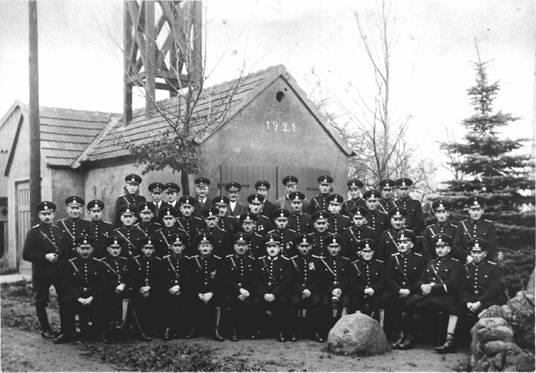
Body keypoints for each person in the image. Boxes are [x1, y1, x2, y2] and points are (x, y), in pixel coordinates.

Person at [439, 238, 506, 353]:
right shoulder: (465, 268)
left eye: (479, 252)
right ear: (470, 253)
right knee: (455, 309)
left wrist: (479, 302)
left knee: (485, 314)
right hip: (470, 300)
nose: (476, 255)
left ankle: (478, 346)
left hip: (486, 301)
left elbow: (493, 290)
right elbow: (463, 288)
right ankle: (450, 342)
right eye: (473, 252)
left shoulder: (493, 267)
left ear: (484, 254)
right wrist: (468, 302)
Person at [405, 234, 464, 350]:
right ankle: (409, 338)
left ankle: (447, 341)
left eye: (443, 247)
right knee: (409, 303)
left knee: (420, 305)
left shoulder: (455, 264)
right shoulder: (431, 263)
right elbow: (420, 280)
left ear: (449, 249)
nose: (440, 250)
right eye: (437, 247)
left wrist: (432, 287)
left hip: (445, 297)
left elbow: (452, 285)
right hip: (429, 296)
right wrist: (422, 286)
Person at [22, 201, 69, 339]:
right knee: (41, 301)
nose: (47, 216)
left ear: (53, 214)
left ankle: (65, 329)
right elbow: (26, 255)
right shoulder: (34, 232)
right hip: (42, 273)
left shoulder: (58, 230)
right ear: (39, 215)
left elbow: (65, 251)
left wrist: (59, 257)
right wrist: (45, 256)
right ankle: (45, 329)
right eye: (44, 214)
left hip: (58, 272)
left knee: (64, 300)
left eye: (49, 214)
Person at [55, 236, 106, 343]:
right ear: (77, 249)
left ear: (92, 249)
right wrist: (78, 298)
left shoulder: (99, 264)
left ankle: (100, 332)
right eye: (82, 248)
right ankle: (66, 332)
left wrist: (92, 297)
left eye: (87, 248)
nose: (85, 251)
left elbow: (102, 284)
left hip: (92, 295)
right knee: (65, 302)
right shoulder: (71, 264)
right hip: (77, 296)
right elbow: (67, 284)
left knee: (103, 301)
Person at [384, 229, 425, 349]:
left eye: (405, 242)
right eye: (399, 242)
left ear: (411, 244)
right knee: (385, 299)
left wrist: (409, 290)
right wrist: (399, 290)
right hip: (397, 290)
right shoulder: (393, 258)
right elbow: (388, 278)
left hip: (412, 291)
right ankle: (394, 334)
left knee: (410, 304)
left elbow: (421, 279)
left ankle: (409, 336)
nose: (401, 244)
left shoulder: (419, 258)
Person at [252, 233, 293, 342]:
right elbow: (255, 280)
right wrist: (264, 294)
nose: (272, 249)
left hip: (279, 293)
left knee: (282, 302)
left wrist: (274, 294)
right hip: (263, 293)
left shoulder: (286, 261)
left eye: (274, 246)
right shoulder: (260, 261)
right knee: (256, 302)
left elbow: (287, 281)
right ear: (266, 248)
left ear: (279, 248)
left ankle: (280, 331)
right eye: (269, 246)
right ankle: (260, 330)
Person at [288, 234, 325, 342]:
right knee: (293, 302)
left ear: (311, 246)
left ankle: (314, 331)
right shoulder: (292, 260)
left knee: (317, 302)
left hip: (313, 290)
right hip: (297, 290)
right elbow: (291, 280)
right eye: (302, 246)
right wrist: (302, 290)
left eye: (307, 246)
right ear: (297, 247)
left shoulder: (317, 260)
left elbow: (319, 279)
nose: (304, 248)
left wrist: (310, 290)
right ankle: (294, 331)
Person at [220, 232, 257, 341]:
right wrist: (239, 290)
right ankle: (233, 331)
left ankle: (249, 330)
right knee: (230, 302)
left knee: (253, 303)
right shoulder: (227, 260)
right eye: (238, 245)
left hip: (248, 292)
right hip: (232, 291)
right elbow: (225, 280)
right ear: (234, 246)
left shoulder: (252, 260)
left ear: (247, 246)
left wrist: (247, 292)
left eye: (244, 245)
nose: (241, 247)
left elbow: (255, 280)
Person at [188, 232, 224, 341]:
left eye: (207, 245)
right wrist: (198, 293)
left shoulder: (218, 260)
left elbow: (221, 280)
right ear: (198, 247)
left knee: (218, 302)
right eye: (202, 246)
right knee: (190, 300)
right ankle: (193, 329)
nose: (205, 248)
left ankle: (215, 331)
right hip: (198, 292)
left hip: (213, 292)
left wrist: (212, 292)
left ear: (212, 247)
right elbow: (190, 279)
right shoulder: (193, 260)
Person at [129, 237, 165, 339]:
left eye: (151, 248)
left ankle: (155, 330)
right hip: (138, 291)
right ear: (142, 249)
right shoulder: (135, 261)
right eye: (146, 248)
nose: (148, 251)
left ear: (154, 250)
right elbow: (132, 277)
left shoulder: (159, 261)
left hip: (154, 290)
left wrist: (150, 288)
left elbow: (161, 279)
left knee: (157, 303)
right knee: (139, 306)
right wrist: (140, 288)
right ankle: (141, 331)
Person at [99, 236, 131, 343]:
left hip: (124, 291)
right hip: (109, 292)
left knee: (126, 307)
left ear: (121, 249)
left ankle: (122, 332)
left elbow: (129, 276)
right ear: (108, 249)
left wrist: (123, 284)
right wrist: (115, 286)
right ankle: (107, 333)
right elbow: (103, 280)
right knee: (107, 306)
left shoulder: (125, 261)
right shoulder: (102, 262)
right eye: (113, 248)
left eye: (117, 248)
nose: (115, 250)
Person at [317, 234, 350, 336]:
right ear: (327, 248)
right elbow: (321, 280)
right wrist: (332, 290)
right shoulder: (322, 261)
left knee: (346, 303)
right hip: (327, 291)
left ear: (340, 248)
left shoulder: (346, 261)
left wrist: (340, 290)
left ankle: (342, 332)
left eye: (336, 247)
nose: (334, 249)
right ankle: (325, 331)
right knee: (325, 304)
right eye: (331, 247)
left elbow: (348, 279)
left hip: (342, 291)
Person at [161, 232, 193, 340]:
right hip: (168, 290)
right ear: (170, 246)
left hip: (183, 289)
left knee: (186, 301)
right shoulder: (165, 260)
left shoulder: (188, 260)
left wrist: (180, 287)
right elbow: (162, 277)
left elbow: (190, 278)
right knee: (167, 303)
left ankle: (183, 328)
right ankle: (168, 328)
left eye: (180, 245)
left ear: (183, 247)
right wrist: (170, 287)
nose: (177, 248)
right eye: (175, 245)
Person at [347, 239, 386, 325]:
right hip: (359, 293)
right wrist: (364, 290)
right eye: (364, 251)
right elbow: (352, 284)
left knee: (379, 302)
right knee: (354, 302)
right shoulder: (354, 265)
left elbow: (382, 282)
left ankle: (378, 327)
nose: (367, 254)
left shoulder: (380, 264)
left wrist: (373, 289)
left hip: (375, 293)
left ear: (373, 252)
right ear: (360, 252)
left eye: (370, 251)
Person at [453, 196, 498, 262]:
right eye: (473, 210)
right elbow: (456, 246)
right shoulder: (462, 225)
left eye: (478, 210)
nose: (476, 213)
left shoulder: (489, 225)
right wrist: (466, 256)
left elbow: (492, 246)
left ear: (482, 210)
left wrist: (481, 256)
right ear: (468, 210)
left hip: (484, 263)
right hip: (466, 262)